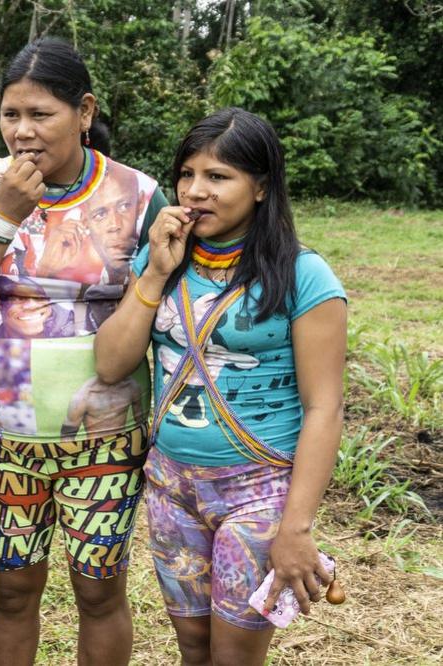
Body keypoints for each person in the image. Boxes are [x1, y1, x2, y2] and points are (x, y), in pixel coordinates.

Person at [0, 38, 169, 666]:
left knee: (99, 590)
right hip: (3, 437)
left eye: (42, 115)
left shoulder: (139, 197)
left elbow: (165, 306)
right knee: (10, 591)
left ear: (84, 112)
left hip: (105, 435)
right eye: (11, 115)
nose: (23, 132)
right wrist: (3, 217)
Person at [94, 107, 347, 665]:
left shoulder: (305, 276)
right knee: (194, 649)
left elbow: (324, 407)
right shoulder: (164, 261)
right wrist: (157, 272)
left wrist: (296, 529)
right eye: (187, 175)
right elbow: (111, 363)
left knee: (234, 656)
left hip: (257, 494)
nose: (195, 191)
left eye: (218, 177)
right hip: (171, 485)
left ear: (260, 187)